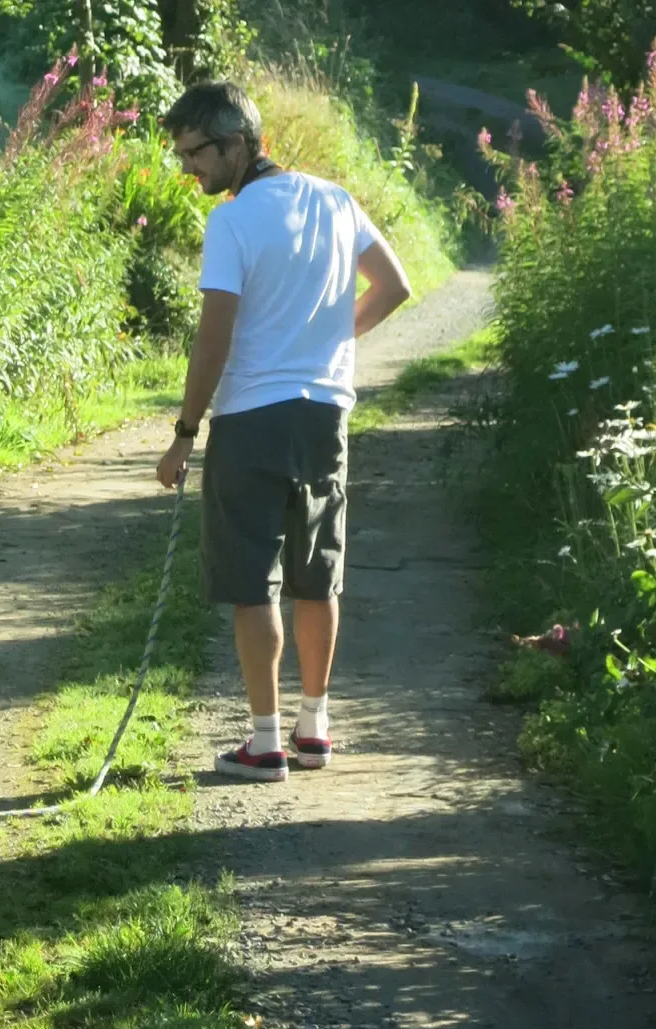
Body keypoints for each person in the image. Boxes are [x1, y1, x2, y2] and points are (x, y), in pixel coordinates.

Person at [153, 81, 413, 783]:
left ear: (236, 142)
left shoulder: (233, 224)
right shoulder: (335, 199)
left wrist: (184, 431)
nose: (189, 170)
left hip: (250, 419)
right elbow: (393, 286)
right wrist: (331, 340)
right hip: (325, 414)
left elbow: (214, 338)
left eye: (195, 154)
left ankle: (264, 741)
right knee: (317, 574)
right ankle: (315, 728)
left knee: (252, 583)